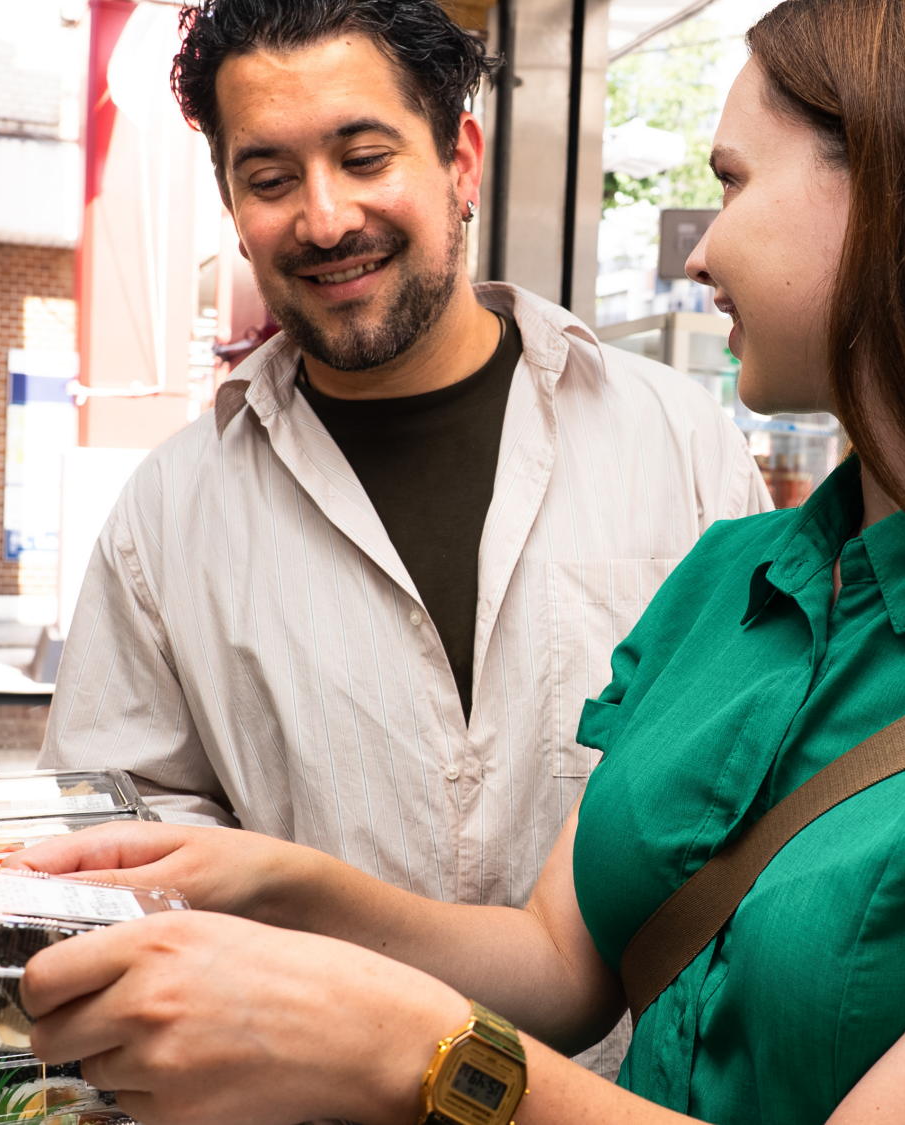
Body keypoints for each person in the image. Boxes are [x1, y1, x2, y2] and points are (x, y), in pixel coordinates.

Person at [7, 2, 905, 1124]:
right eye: (267, 174)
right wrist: (285, 886)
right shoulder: (745, 578)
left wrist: (402, 1047)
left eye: (731, 182)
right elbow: (557, 957)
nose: (697, 249)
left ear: (903, 195)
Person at [40, 0, 761, 1004]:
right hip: (291, 1093)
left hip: (621, 1094)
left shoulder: (676, 445)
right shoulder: (168, 512)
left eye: (365, 156)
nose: (325, 218)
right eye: (269, 178)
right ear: (233, 207)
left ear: (459, 162)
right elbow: (113, 823)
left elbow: (761, 796)